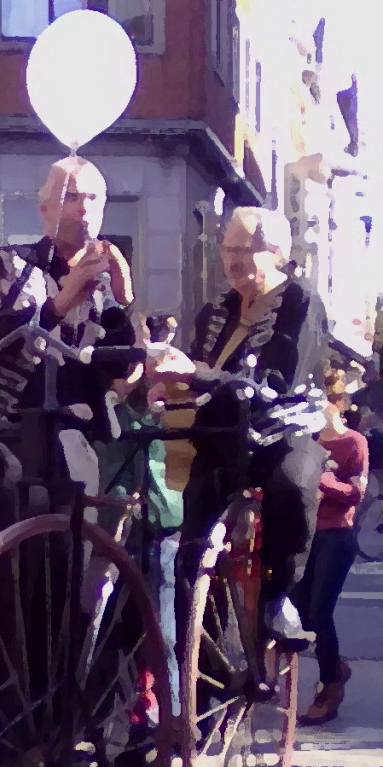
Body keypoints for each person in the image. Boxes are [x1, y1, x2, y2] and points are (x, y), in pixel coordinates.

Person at [151, 206, 330, 649]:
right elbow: (199, 366)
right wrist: (168, 386)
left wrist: (198, 376)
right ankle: (195, 630)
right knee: (190, 540)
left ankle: (277, 600)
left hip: (281, 430)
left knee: (294, 483)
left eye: (243, 250)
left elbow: (277, 380)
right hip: (222, 434)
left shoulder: (300, 302)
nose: (231, 260)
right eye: (226, 249)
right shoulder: (216, 311)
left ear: (275, 252)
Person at [0, 155, 136, 548]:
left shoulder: (102, 287)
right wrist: (58, 303)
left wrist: (123, 303)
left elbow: (120, 365)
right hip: (4, 435)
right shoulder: (8, 263)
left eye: (93, 198)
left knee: (70, 568)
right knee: (6, 574)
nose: (84, 207)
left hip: (72, 440)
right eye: (71, 196)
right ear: (44, 210)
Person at [294, 370, 369, 726]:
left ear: (337, 405)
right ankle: (335, 663)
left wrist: (322, 480)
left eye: (322, 402)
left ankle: (330, 686)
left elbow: (356, 493)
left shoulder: (354, 442)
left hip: (337, 535)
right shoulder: (306, 441)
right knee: (301, 612)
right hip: (305, 534)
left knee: (321, 612)